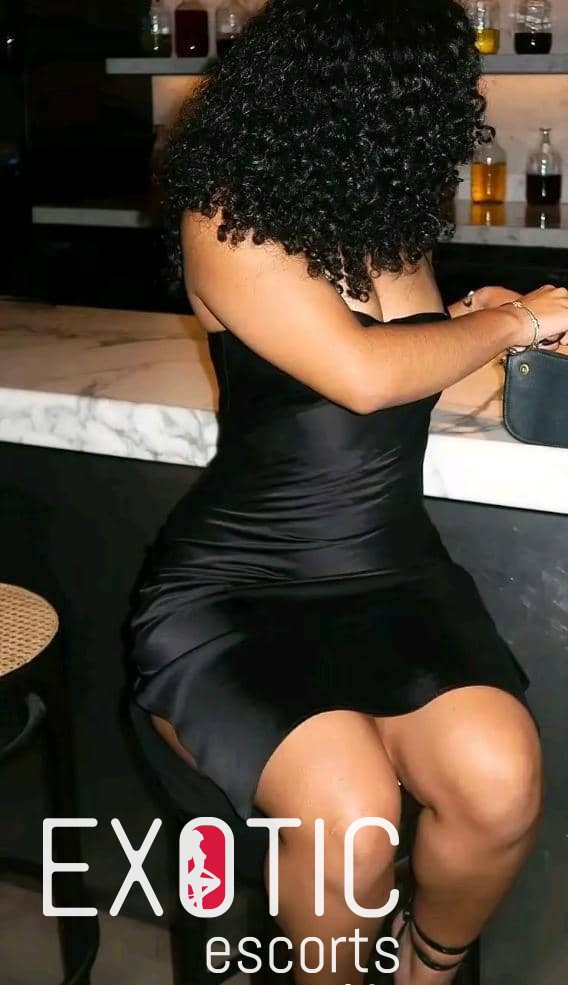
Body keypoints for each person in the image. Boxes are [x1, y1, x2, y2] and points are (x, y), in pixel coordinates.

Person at [129, 2, 568, 982]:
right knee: (349, 812)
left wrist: (476, 315)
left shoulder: (381, 220)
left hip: (386, 569)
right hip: (239, 586)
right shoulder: (228, 219)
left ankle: (424, 969)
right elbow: (360, 374)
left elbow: (400, 360)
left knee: (500, 781)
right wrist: (521, 322)